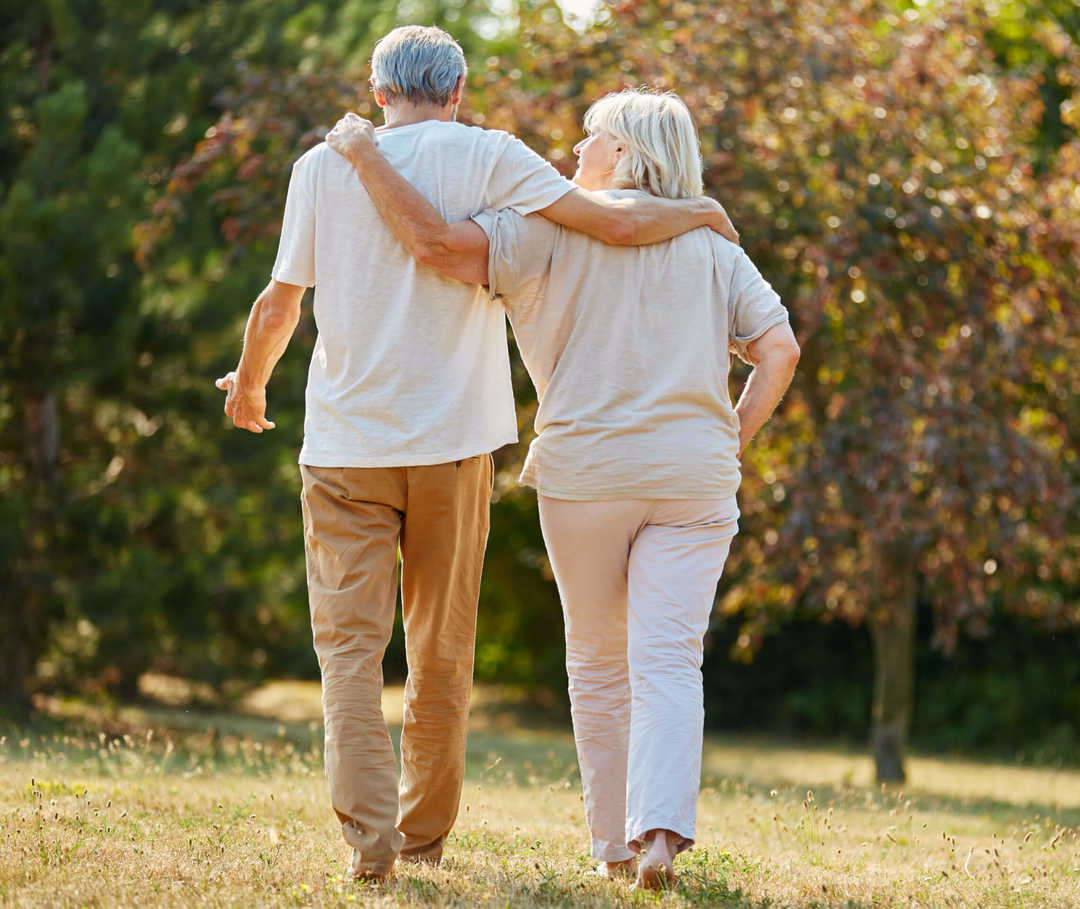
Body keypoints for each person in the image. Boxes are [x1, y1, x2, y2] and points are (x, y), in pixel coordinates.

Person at [214, 27, 739, 882]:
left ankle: (368, 841)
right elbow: (608, 219)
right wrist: (702, 213)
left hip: (345, 446)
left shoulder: (320, 166)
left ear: (378, 91)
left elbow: (281, 301)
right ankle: (421, 836)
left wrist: (249, 383)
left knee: (348, 651)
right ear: (458, 88)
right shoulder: (494, 155)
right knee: (441, 649)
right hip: (454, 445)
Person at [324, 87, 800, 889]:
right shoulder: (715, 242)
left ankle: (612, 847)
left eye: (589, 139)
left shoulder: (541, 231)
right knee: (671, 660)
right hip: (694, 475)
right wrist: (732, 433)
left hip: (587, 474)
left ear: (621, 152)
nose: (572, 152)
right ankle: (659, 836)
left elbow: (440, 250)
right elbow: (778, 349)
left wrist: (367, 160)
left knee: (599, 660)